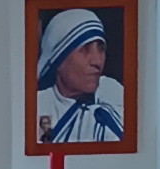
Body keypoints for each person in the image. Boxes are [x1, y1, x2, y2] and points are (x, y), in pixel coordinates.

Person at [34, 8, 125, 145]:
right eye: (84, 49)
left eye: (101, 48)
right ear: (59, 61)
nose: (97, 61)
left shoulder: (112, 94)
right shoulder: (42, 105)